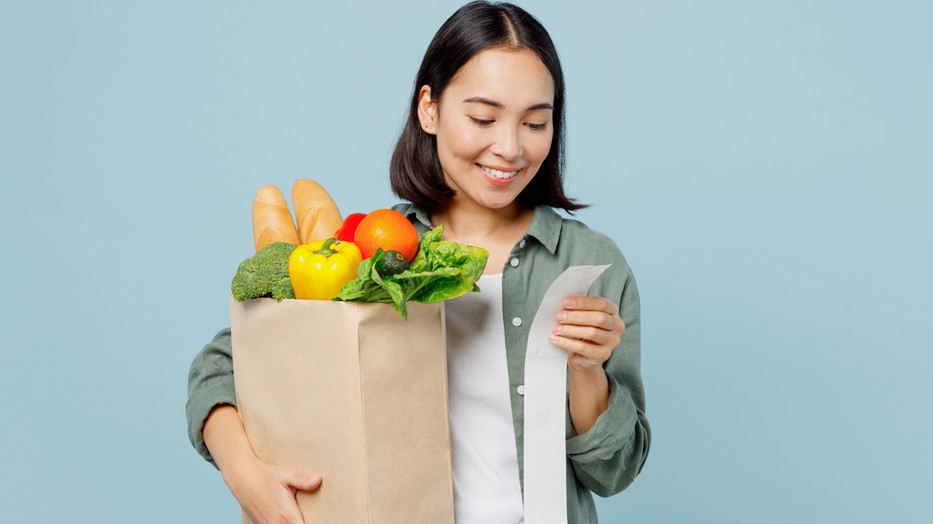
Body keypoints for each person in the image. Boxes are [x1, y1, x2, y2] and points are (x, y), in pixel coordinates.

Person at [186, 2, 650, 522]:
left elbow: (614, 472)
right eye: (483, 117)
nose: (510, 147)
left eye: (536, 122)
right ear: (428, 108)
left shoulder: (589, 263)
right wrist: (243, 473)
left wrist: (588, 372)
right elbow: (223, 365)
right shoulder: (370, 248)